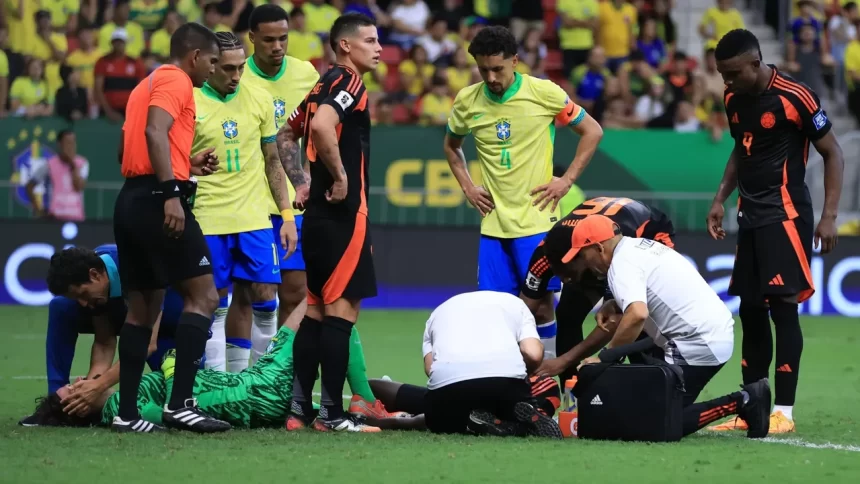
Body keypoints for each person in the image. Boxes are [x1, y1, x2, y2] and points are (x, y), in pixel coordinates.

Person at [706, 29, 844, 434]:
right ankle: (751, 407)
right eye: (721, 74)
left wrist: (829, 215)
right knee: (751, 311)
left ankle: (783, 410)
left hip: (785, 215)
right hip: (749, 216)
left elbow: (833, 152)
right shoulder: (733, 98)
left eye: (732, 73)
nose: (726, 82)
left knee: (784, 308)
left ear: (755, 63)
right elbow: (740, 148)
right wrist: (720, 199)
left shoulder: (795, 96)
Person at [544, 214, 772, 439]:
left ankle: (745, 400)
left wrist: (605, 358)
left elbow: (637, 314)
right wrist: (616, 304)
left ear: (599, 248)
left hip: (696, 343)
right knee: (635, 409)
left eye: (583, 256)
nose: (585, 265)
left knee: (651, 422)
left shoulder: (620, 266)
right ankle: (744, 399)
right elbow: (637, 306)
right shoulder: (637, 247)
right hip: (707, 334)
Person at [442, 26, 603, 334]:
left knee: (540, 306)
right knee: (495, 311)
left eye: (498, 69)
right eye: (483, 69)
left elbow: (592, 131)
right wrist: (468, 187)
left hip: (536, 224)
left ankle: (544, 380)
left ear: (515, 61)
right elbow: (451, 146)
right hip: (493, 224)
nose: (490, 78)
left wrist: (566, 180)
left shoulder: (544, 93)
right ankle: (511, 380)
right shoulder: (467, 101)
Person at [112, 22, 228, 433]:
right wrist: (170, 193)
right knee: (205, 296)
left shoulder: (146, 84)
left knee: (142, 310)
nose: (214, 70)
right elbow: (154, 131)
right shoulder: (176, 79)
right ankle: (180, 404)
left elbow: (133, 145)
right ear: (195, 56)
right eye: (213, 61)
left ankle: (126, 415)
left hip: (131, 199)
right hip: (157, 202)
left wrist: (186, 166)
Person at [282, 13, 382, 433]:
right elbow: (322, 127)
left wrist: (302, 182)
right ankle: (332, 416)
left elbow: (286, 136)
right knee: (341, 315)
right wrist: (340, 177)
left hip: (317, 218)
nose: (379, 48)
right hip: (344, 216)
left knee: (316, 314)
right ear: (345, 46)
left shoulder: (320, 85)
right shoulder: (349, 82)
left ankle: (298, 413)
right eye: (371, 40)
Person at [23, 325, 410, 430]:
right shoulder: (120, 412)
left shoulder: (120, 396)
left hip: (252, 381)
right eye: (72, 389)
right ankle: (362, 402)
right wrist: (176, 366)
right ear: (77, 407)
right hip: (254, 394)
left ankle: (304, 409)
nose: (77, 380)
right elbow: (174, 412)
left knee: (323, 309)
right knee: (334, 316)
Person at [192, 31, 297, 373]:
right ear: (210, 65)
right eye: (227, 68)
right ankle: (220, 385)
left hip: (255, 218)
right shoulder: (191, 102)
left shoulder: (259, 99)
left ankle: (259, 385)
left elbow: (273, 160)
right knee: (214, 305)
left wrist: (286, 215)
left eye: (240, 67)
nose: (237, 75)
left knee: (267, 300)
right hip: (208, 218)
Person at [17, 245, 183, 425]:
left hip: (170, 326)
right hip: (132, 318)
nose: (83, 303)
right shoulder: (98, 284)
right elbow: (104, 343)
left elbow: (147, 345)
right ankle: (59, 405)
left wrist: (100, 385)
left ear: (95, 274)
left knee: (179, 397)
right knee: (60, 306)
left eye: (83, 294)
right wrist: (86, 389)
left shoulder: (138, 267)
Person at [521, 197, 676, 384]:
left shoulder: (617, 253)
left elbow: (618, 320)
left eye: (567, 272)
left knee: (638, 322)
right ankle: (573, 398)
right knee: (568, 314)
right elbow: (522, 311)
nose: (564, 280)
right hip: (596, 236)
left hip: (648, 232)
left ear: (582, 255)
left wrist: (563, 361)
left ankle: (655, 385)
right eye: (557, 274)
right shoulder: (544, 255)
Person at [242, 4, 320, 356]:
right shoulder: (237, 76)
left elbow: (318, 134)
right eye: (269, 39)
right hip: (251, 204)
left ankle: (279, 376)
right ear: (252, 38)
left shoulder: (306, 74)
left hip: (296, 201)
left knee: (295, 293)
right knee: (257, 293)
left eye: (283, 38)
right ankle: (250, 374)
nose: (277, 46)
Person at [417, 291, 562, 438]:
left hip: (445, 395)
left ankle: (479, 421)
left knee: (448, 421)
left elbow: (430, 369)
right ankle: (519, 425)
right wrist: (526, 377)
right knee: (547, 385)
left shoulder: (436, 313)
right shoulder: (517, 305)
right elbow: (533, 353)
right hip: (504, 385)